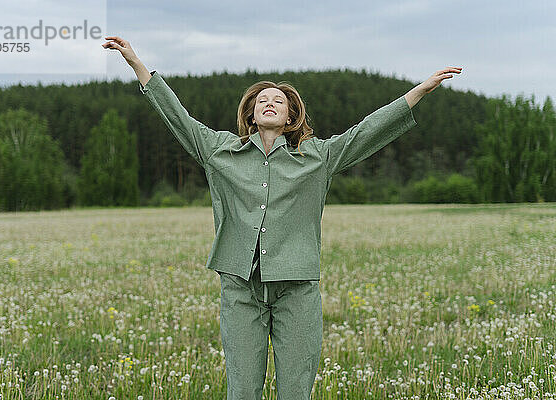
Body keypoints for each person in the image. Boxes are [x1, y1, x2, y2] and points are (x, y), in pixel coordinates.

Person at [103, 35, 462, 400]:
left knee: (295, 390)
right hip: (241, 287)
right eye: (262, 100)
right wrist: (136, 63)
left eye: (279, 101)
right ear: (251, 115)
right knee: (242, 390)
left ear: (291, 116)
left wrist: (419, 91)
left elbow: (366, 132)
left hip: (297, 289)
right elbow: (177, 117)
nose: (270, 104)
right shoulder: (219, 151)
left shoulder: (317, 157)